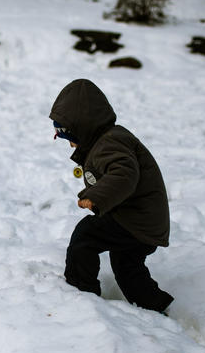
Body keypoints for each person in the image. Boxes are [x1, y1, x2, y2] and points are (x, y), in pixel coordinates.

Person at [50, 79, 173, 313]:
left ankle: (80, 292)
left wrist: (96, 196)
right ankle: (154, 307)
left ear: (82, 127)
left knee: (85, 236)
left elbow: (124, 175)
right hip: (145, 220)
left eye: (69, 137)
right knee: (126, 264)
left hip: (136, 219)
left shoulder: (110, 143)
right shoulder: (107, 140)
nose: (71, 145)